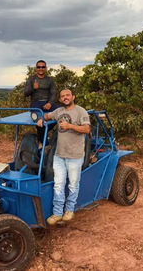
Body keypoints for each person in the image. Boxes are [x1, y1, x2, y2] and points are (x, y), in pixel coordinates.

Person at [37, 89, 90, 225]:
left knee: (73, 184)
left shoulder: (80, 111)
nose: (65, 98)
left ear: (73, 96)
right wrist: (41, 119)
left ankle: (69, 210)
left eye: (67, 95)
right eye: (62, 96)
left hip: (75, 155)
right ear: (60, 99)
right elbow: (48, 116)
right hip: (59, 155)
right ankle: (57, 213)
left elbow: (86, 129)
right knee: (58, 185)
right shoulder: (59, 111)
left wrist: (70, 126)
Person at [24, 60, 59, 145]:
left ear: (45, 68)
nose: (41, 69)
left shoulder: (50, 80)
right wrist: (33, 88)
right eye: (39, 67)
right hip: (36, 103)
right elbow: (25, 93)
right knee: (37, 119)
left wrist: (50, 103)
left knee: (61, 111)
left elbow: (53, 93)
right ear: (36, 68)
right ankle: (43, 140)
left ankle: (45, 132)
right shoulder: (31, 80)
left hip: (47, 102)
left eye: (43, 67)